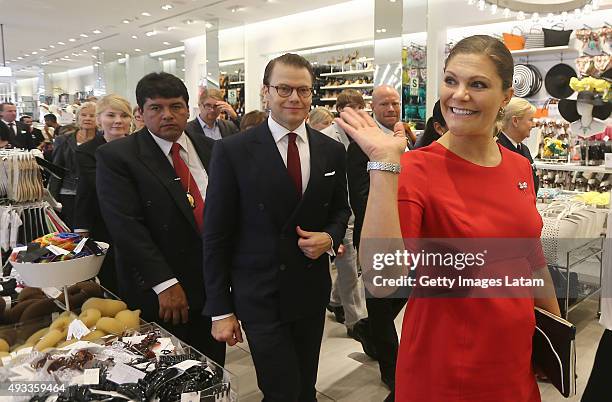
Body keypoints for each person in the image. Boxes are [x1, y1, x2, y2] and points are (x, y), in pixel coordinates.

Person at [336, 34, 561, 402]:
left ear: (506, 96)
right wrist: (383, 166)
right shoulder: (416, 169)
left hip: (513, 360)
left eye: (478, 84)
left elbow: (533, 261)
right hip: (446, 365)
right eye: (451, 80)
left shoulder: (520, 167)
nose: (459, 95)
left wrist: (556, 336)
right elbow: (381, 280)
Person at [203, 53, 350, 401]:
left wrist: (330, 236)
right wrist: (221, 310)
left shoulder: (330, 150)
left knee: (305, 386)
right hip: (259, 294)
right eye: (284, 88)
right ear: (265, 92)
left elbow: (342, 210)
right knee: (280, 388)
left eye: (303, 90)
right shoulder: (232, 151)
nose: (294, 98)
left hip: (310, 290)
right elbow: (216, 234)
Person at [96, 72, 225, 365]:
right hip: (161, 288)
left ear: (187, 108)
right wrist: (164, 283)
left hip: (212, 282)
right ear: (140, 113)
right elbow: (125, 226)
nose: (167, 115)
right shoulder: (118, 156)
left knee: (212, 366)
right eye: (156, 108)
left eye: (176, 106)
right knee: (164, 370)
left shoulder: (212, 149)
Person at [346, 85, 409, 395]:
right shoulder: (360, 145)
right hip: (377, 236)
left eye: (395, 102)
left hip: (408, 236)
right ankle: (391, 370)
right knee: (382, 306)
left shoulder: (404, 137)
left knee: (399, 297)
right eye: (384, 103)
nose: (391, 107)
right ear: (373, 107)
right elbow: (361, 198)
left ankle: (368, 331)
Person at [320, 89, 372, 355]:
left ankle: (335, 300)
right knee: (350, 263)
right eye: (352, 108)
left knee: (351, 263)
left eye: (361, 107)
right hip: (340, 211)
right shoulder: (327, 139)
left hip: (362, 206)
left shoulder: (365, 136)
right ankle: (356, 320)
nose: (357, 113)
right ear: (340, 111)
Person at [74, 95, 132, 294]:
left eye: (124, 115)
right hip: (104, 222)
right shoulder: (87, 152)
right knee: (111, 276)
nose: (118, 120)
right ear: (100, 119)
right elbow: (88, 189)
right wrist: (81, 228)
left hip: (140, 221)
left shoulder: (140, 147)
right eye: (111, 115)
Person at [49, 102, 97, 229]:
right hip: (68, 193)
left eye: (92, 115)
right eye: (84, 115)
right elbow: (56, 171)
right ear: (77, 117)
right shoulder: (63, 140)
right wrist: (52, 200)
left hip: (95, 194)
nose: (87, 118)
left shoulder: (103, 140)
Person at [498, 97, 539, 194]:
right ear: (515, 121)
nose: (534, 125)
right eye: (530, 120)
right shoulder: (497, 150)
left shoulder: (524, 149)